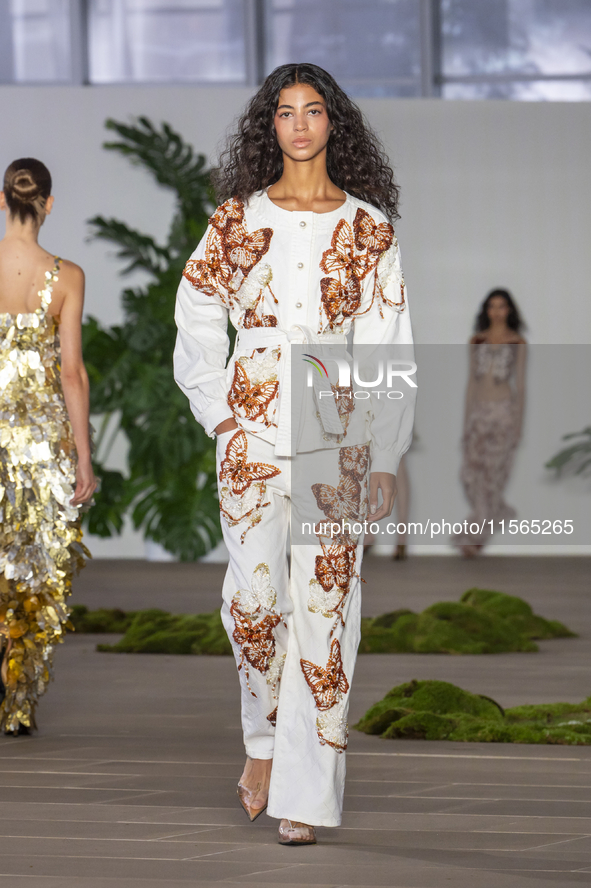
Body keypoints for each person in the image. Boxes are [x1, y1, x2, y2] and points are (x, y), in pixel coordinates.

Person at [174, 63, 414, 844]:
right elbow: (198, 320)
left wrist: (382, 453)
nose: (300, 124)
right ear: (269, 126)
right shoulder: (236, 222)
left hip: (334, 440)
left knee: (325, 613)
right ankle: (263, 744)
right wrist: (221, 420)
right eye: (285, 112)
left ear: (333, 123)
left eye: (314, 111)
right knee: (251, 609)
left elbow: (386, 346)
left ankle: (304, 797)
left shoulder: (369, 228)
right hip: (250, 435)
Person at [0, 158, 96, 735]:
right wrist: (84, 455)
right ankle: (17, 704)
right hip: (38, 445)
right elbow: (73, 374)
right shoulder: (66, 275)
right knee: (33, 567)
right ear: (49, 203)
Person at [453, 288, 526, 557]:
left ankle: (476, 536)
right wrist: (465, 422)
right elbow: (471, 382)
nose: (496, 311)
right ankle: (498, 512)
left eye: (502, 306)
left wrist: (518, 425)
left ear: (509, 310)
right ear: (486, 310)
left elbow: (521, 385)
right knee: (470, 475)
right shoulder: (477, 341)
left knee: (493, 474)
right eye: (492, 306)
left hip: (504, 412)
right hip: (479, 413)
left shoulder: (517, 342)